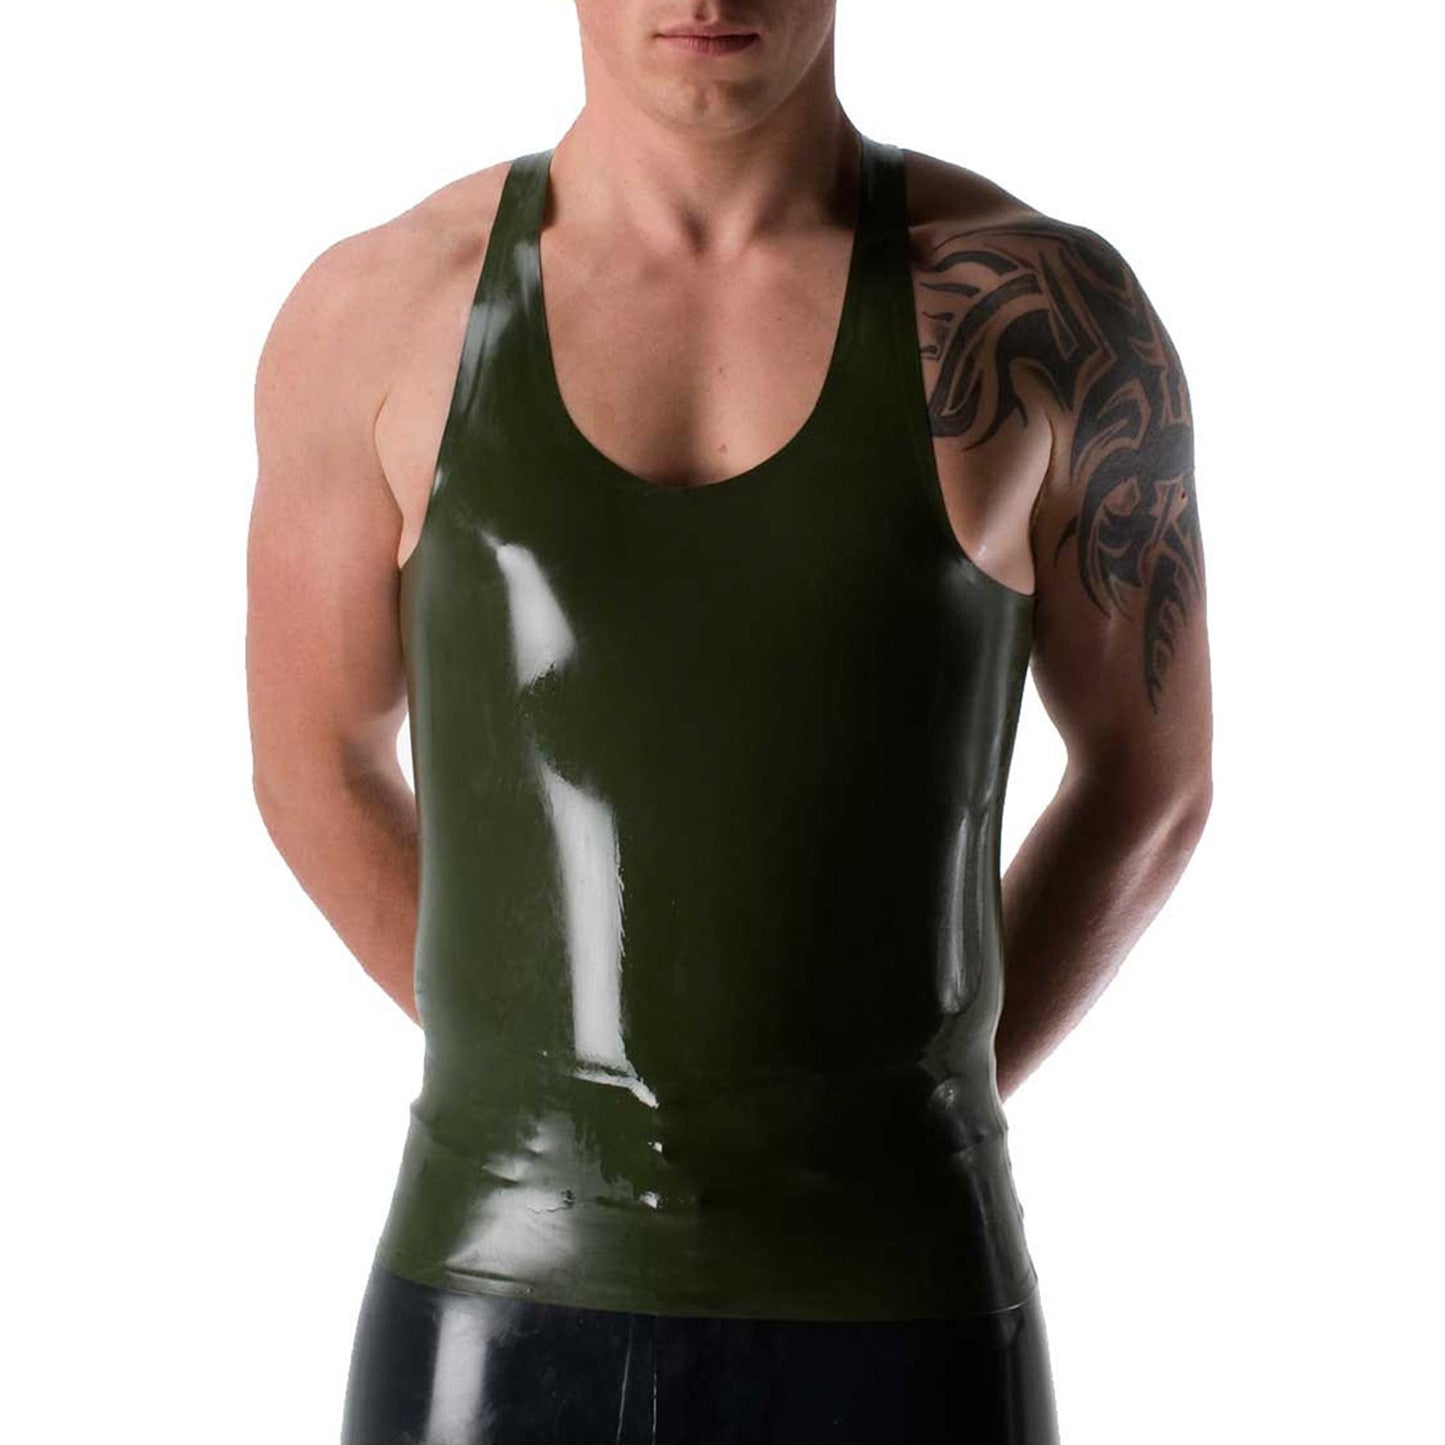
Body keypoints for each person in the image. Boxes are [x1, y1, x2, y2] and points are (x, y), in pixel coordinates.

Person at [247, 4, 1213, 1441]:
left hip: (903, 1301)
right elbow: (311, 761)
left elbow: (1151, 780)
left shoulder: (1036, 315)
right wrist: (555, 1100)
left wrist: (899, 1102)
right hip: (494, 1298)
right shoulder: (380, 313)